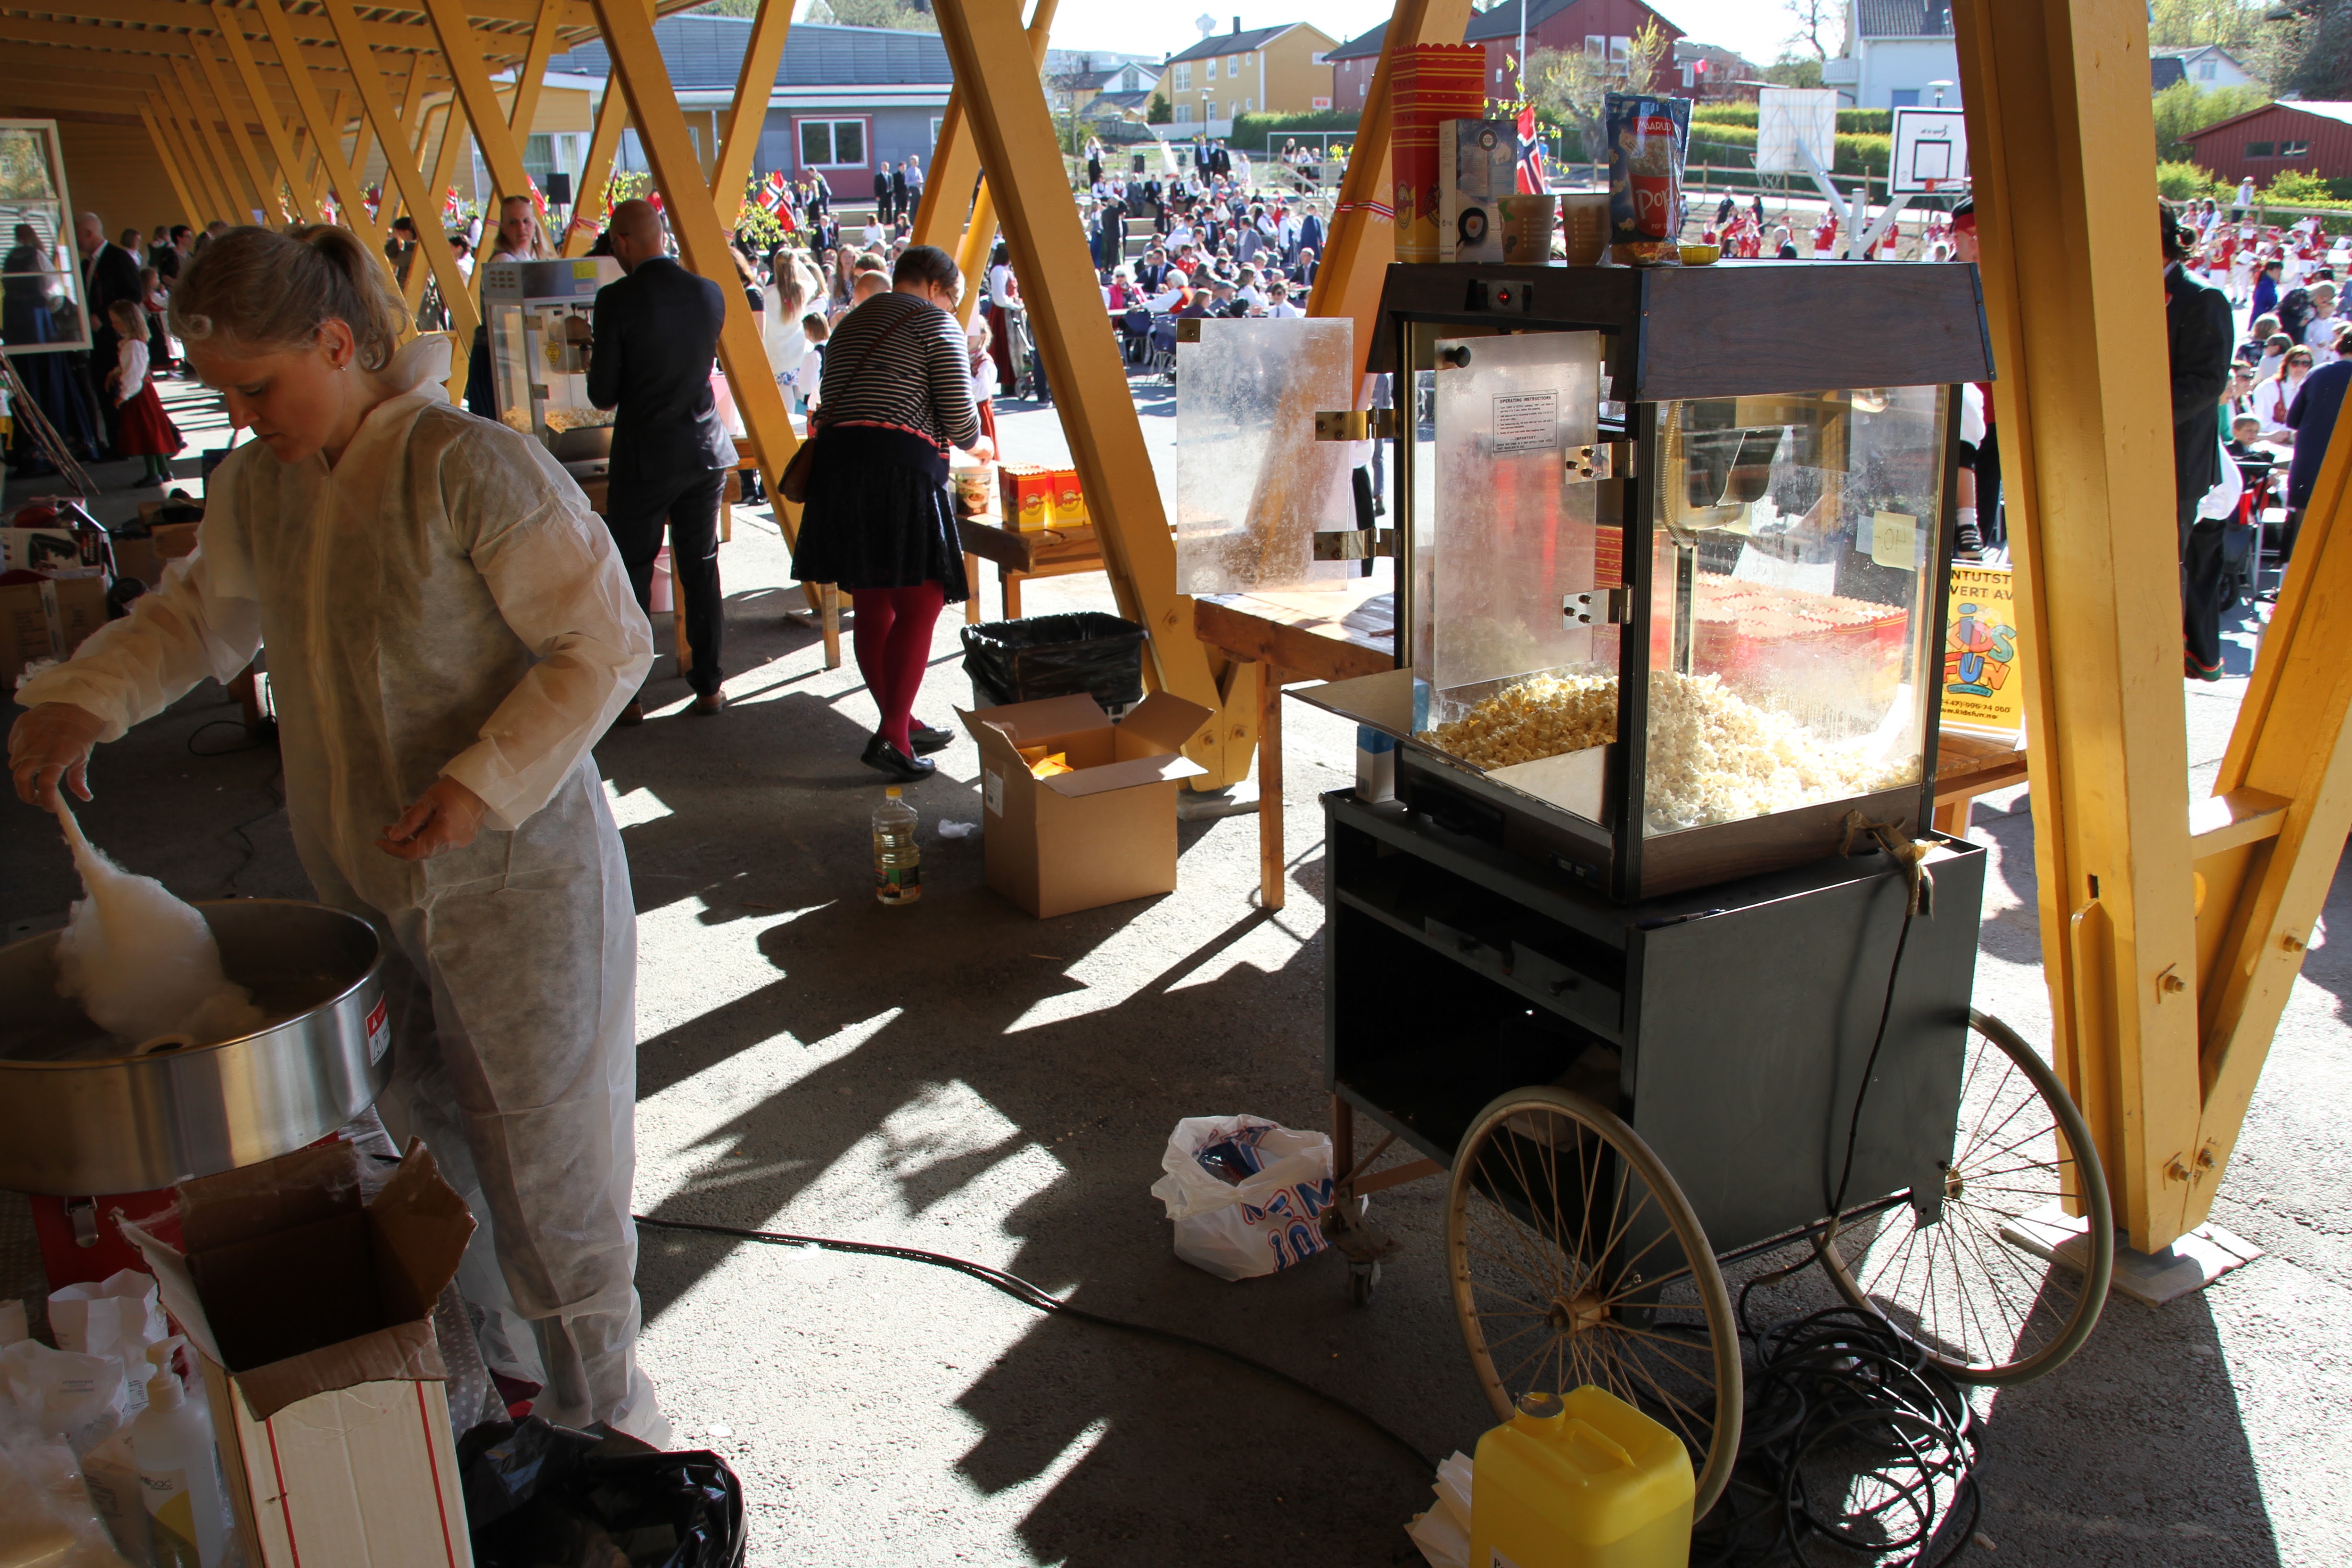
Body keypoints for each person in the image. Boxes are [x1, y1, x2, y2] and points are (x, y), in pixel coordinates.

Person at [6, 223, 666, 1445]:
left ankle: (610, 1434)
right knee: (430, 1154)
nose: (243, 417)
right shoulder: (263, 486)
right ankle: (509, 1405)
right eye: (225, 395)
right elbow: (200, 620)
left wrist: (477, 781)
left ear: (334, 342)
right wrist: (83, 698)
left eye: (259, 388)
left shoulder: (468, 465)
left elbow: (604, 641)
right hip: (370, 884)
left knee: (551, 1174)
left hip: (518, 881)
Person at [789, 244, 978, 782]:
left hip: (839, 474)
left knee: (873, 603)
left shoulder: (848, 325)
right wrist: (979, 442)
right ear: (937, 288)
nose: (952, 309)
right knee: (923, 600)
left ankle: (899, 720)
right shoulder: (936, 324)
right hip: (897, 471)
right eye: (953, 299)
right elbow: (961, 422)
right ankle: (893, 735)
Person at [587, 200, 735, 721]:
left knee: (632, 572)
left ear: (623, 241)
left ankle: (630, 698)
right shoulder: (709, 293)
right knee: (700, 568)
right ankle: (710, 687)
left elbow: (603, 393)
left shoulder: (616, 300)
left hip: (645, 456)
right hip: (705, 452)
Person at [2166, 204, 2238, 681]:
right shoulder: (2122, 291)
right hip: (2118, 453)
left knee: (2162, 562)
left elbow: (2207, 382)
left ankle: (2162, 658)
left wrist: (2136, 414)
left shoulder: (2203, 297)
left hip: (2175, 459)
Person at [2282, 330, 2352, 567]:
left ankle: (2291, 579)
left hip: (2310, 464)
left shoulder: (2318, 373)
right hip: (2344, 468)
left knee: (2303, 532)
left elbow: (2293, 420)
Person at [77, 212, 144, 456]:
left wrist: (105, 318)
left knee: (118, 388)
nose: (75, 240)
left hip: (115, 337)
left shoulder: (118, 258)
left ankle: (123, 443)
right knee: (103, 388)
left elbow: (133, 295)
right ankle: (116, 442)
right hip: (96, 339)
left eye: (77, 234)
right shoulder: (85, 264)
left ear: (89, 233)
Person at [103, 297, 181, 487]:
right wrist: (117, 372)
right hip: (143, 392)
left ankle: (154, 473)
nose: (113, 325)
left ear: (128, 322)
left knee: (146, 434)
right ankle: (163, 470)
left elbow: (134, 374)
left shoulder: (133, 346)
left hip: (139, 393)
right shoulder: (132, 344)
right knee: (152, 431)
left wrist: (124, 395)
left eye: (116, 322)